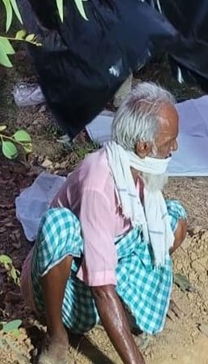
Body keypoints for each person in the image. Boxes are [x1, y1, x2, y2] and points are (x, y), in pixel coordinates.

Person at [21, 83, 189, 364]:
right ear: (143, 147)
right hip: (73, 285)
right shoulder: (99, 182)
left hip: (109, 254)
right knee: (58, 225)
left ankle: (130, 305)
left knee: (173, 219)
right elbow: (100, 288)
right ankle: (57, 337)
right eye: (169, 141)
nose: (175, 147)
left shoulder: (137, 165)